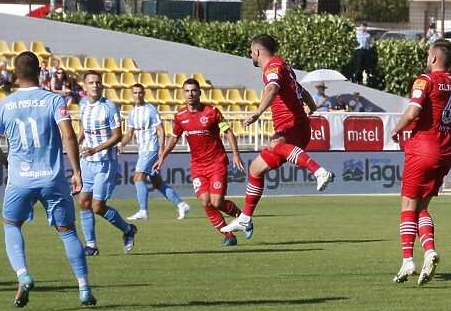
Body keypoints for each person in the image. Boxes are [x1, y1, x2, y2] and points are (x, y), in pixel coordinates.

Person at [0, 51, 96, 307]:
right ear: (39, 72)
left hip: (19, 180)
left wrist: (6, 161)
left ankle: (23, 275)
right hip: (52, 179)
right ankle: (84, 289)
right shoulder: (53, 100)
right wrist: (77, 172)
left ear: (15, 74)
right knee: (68, 232)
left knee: (11, 225)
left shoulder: (5, 104)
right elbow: (69, 136)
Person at [220, 34, 335, 238]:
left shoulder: (272, 67)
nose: (251, 56)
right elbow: (302, 91)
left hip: (292, 126)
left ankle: (319, 172)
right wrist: (311, 108)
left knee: (274, 144)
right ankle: (245, 218)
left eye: (251, 52)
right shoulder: (285, 68)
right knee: (255, 169)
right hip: (298, 126)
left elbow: (272, 89)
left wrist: (257, 112)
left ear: (256, 51)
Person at [391, 39, 451, 286]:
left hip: (422, 148)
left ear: (435, 58)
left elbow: (414, 112)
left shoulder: (424, 80)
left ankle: (408, 261)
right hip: (444, 152)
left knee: (407, 205)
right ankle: (429, 251)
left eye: (429, 55)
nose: (427, 58)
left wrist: (396, 129)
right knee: (421, 208)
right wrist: (449, 134)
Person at [153, 78, 245, 246]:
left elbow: (228, 133)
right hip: (197, 166)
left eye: (193, 90)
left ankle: (242, 217)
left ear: (199, 93)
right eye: (187, 91)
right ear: (183, 93)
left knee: (217, 202)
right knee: (205, 202)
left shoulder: (212, 112)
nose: (190, 94)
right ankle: (229, 235)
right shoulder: (180, 116)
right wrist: (162, 157)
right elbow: (174, 138)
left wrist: (236, 155)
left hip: (216, 162)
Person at [77, 70, 138, 256]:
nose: (95, 85)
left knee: (97, 207)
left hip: (105, 162)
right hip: (87, 161)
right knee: (83, 202)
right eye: (91, 82)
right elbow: (83, 128)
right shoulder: (82, 105)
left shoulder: (109, 107)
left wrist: (96, 149)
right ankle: (91, 246)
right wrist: (73, 145)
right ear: (85, 87)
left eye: (98, 82)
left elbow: (117, 135)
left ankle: (128, 229)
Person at [119, 83, 190, 222]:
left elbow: (161, 130)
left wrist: (161, 150)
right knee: (157, 183)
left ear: (144, 93)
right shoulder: (132, 113)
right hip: (143, 150)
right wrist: (122, 144)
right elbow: (129, 133)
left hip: (151, 148)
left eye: (140, 92)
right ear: (131, 94)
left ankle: (143, 211)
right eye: (135, 93)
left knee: (138, 178)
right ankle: (182, 205)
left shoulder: (150, 110)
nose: (138, 95)